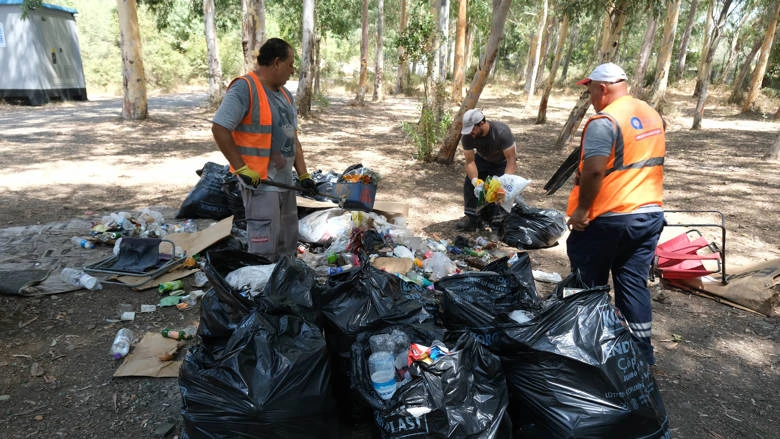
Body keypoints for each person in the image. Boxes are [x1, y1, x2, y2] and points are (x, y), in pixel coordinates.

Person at [565, 62, 666, 366]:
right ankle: (639, 357)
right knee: (632, 283)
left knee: (588, 285)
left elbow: (595, 169)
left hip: (609, 217)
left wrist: (582, 210)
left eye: (591, 90)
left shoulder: (604, 120)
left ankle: (585, 354)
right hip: (648, 214)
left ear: (603, 88)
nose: (590, 97)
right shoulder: (649, 113)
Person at [211, 38, 316, 261]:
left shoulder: (286, 95)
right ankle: (261, 291)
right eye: (290, 64)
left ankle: (284, 286)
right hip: (261, 184)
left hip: (285, 183)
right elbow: (220, 128)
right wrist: (241, 169)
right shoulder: (245, 88)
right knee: (265, 248)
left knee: (287, 242)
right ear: (276, 62)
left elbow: (293, 138)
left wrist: (304, 174)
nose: (292, 70)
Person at [457, 109, 517, 231]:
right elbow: (470, 161)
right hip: (482, 160)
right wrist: (475, 181)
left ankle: (497, 224)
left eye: (472, 129)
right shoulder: (467, 137)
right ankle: (473, 219)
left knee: (499, 193)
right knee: (469, 184)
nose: (470, 133)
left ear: (481, 123)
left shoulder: (501, 132)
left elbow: (511, 159)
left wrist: (504, 180)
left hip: (502, 163)